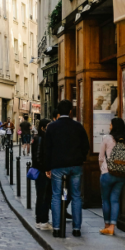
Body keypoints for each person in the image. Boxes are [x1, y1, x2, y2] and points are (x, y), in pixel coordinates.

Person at [45, 100, 90, 238]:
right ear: (71, 111)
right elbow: (86, 146)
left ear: (58, 112)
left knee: (56, 196)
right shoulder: (78, 126)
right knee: (76, 196)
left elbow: (47, 148)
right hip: (75, 166)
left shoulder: (52, 127)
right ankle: (76, 228)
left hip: (58, 167)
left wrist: (47, 167)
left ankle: (57, 227)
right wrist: (81, 159)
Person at [98, 117, 125, 236]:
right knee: (115, 200)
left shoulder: (106, 138)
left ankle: (106, 225)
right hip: (121, 173)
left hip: (108, 172)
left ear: (113, 126)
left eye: (110, 124)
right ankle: (112, 227)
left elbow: (101, 157)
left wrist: (102, 168)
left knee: (106, 200)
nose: (109, 126)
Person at [32, 118, 52, 230]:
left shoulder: (39, 138)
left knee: (42, 196)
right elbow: (38, 157)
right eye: (48, 126)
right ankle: (42, 220)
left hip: (41, 170)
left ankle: (40, 220)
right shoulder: (41, 139)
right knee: (43, 196)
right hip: (42, 172)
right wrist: (45, 169)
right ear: (43, 127)